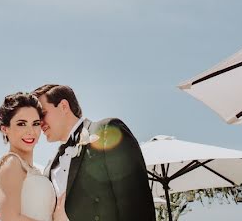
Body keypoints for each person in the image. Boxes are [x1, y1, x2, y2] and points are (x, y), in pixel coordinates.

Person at [32, 84, 155, 221]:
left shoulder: (107, 131)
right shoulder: (49, 168)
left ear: (63, 106)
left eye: (42, 114)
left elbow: (136, 203)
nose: (39, 123)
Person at [0, 92, 57, 221]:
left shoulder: (32, 169)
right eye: (21, 124)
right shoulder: (11, 163)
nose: (30, 131)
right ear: (5, 129)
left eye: (35, 123)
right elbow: (10, 218)